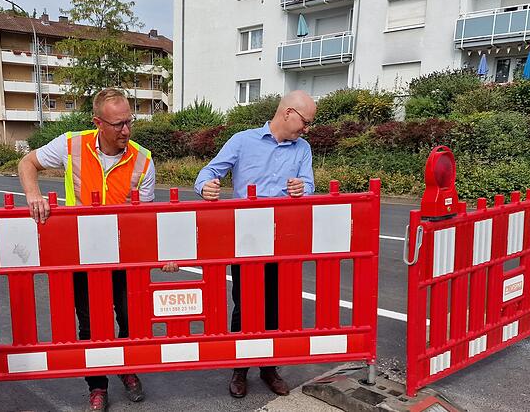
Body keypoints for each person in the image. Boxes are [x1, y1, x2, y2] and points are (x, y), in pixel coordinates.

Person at [19, 87, 178, 412]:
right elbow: (27, 162)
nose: (126, 131)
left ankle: (127, 369)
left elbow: (144, 218)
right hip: (84, 253)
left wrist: (161, 253)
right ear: (98, 123)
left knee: (131, 319)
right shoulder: (71, 144)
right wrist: (33, 195)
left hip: (125, 254)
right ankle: (97, 385)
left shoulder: (143, 159)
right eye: (118, 124)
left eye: (129, 122)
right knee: (91, 324)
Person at [194, 90, 317, 399]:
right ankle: (240, 368)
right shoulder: (242, 141)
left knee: (277, 305)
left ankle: (269, 368)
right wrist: (205, 185)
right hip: (246, 237)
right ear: (288, 113)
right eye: (305, 121)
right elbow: (210, 171)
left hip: (283, 239)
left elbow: (310, 185)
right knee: (245, 305)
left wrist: (304, 188)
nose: (306, 129)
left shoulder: (302, 148)